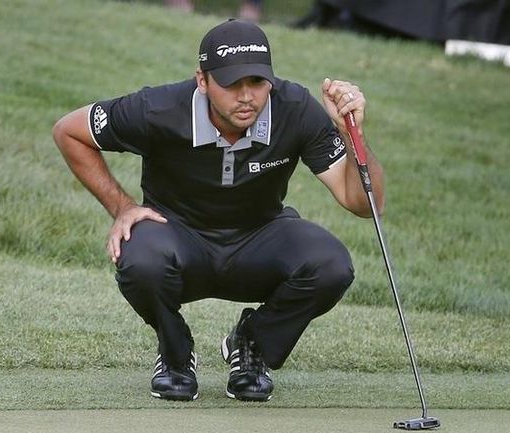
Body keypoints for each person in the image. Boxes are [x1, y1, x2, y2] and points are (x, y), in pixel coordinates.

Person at [52, 19, 384, 402]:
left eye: (257, 83)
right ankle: (175, 354)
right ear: (202, 80)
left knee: (331, 265)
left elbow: (364, 204)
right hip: (176, 237)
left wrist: (351, 131)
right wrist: (122, 207)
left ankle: (251, 345)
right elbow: (69, 131)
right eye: (231, 84)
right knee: (138, 256)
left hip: (259, 237)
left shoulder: (295, 109)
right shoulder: (157, 109)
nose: (246, 97)